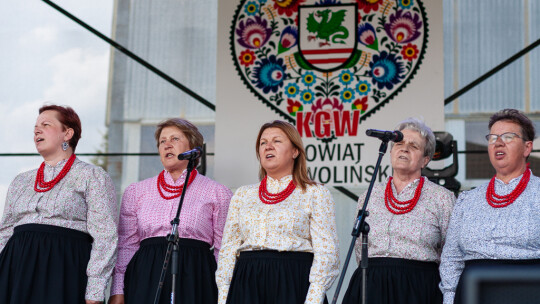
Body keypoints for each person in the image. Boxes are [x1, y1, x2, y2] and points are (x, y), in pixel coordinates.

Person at [0, 105, 118, 304]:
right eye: (35, 127)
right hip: (16, 268)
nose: (37, 130)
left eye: (46, 125)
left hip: (63, 267)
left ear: (67, 133)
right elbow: (5, 231)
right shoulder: (21, 181)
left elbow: (106, 235)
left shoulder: (92, 176)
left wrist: (95, 290)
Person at [109, 118, 232, 304]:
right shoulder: (136, 191)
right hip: (145, 275)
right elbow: (127, 246)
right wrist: (118, 289)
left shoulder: (218, 192)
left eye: (175, 139)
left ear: (193, 147)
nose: (167, 145)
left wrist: (224, 293)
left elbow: (224, 250)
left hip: (195, 276)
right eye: (162, 141)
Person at [216, 120, 340, 304]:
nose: (268, 147)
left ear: (295, 151)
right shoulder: (243, 194)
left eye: (276, 141)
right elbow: (228, 248)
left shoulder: (315, 193)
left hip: (292, 279)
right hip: (247, 281)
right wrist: (224, 295)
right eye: (263, 143)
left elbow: (327, 250)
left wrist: (314, 297)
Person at [342, 118, 456, 304]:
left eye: (413, 146)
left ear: (425, 160)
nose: (404, 148)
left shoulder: (442, 198)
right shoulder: (369, 195)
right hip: (371, 285)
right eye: (399, 143)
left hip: (417, 288)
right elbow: (359, 249)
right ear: (391, 151)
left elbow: (450, 254)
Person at [439, 108, 540, 304]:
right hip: (472, 293)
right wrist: (449, 298)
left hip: (528, 293)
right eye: (492, 138)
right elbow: (452, 257)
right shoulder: (468, 200)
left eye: (508, 136)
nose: (498, 142)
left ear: (527, 148)